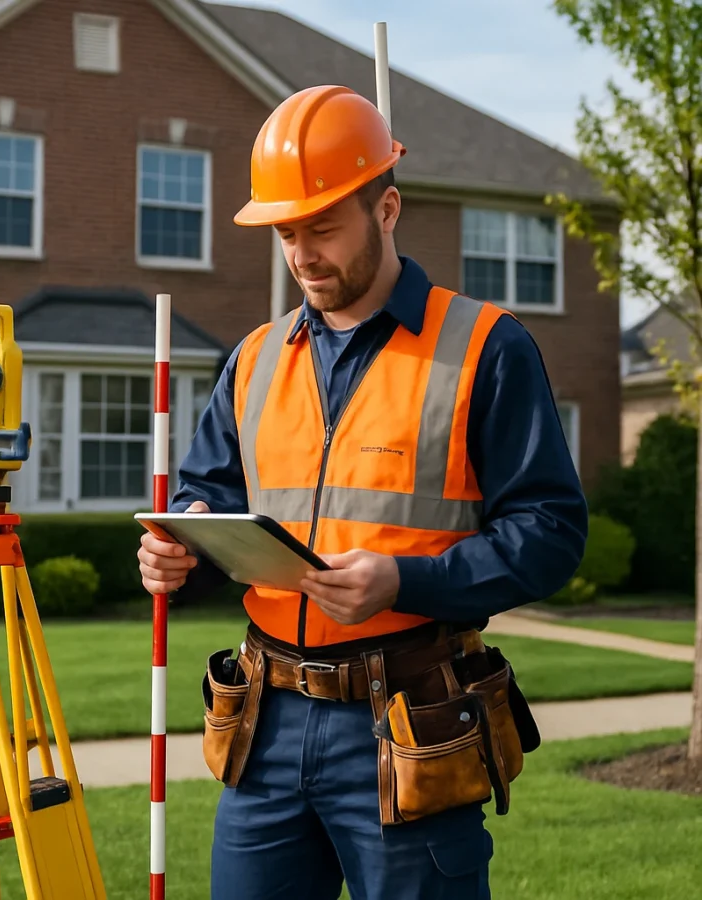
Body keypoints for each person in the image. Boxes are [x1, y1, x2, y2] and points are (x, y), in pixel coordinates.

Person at [137, 84, 587, 900]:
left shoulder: (486, 347)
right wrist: (182, 553)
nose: (303, 255)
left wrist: (405, 580)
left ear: (387, 208)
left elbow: (551, 530)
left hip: (411, 720)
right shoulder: (252, 360)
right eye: (286, 233)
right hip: (265, 723)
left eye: (322, 228)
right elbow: (209, 498)